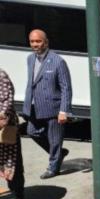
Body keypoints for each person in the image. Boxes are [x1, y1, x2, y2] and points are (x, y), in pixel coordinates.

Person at [22, 29, 71, 179]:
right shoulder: (30, 58)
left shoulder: (58, 61)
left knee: (55, 139)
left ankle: (53, 167)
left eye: (38, 41)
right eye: (32, 41)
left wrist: (64, 110)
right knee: (31, 131)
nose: (35, 44)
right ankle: (59, 154)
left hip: (54, 107)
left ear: (46, 42)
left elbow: (66, 87)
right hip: (35, 106)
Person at [0, 69, 26, 199]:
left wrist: (1, 119)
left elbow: (6, 103)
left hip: (4, 129)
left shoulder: (1, 76)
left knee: (11, 163)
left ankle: (18, 197)